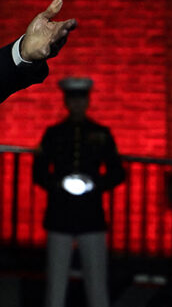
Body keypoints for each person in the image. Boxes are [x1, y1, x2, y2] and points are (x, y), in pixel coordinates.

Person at [32, 76, 125, 307]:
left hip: (90, 214)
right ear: (66, 102)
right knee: (56, 286)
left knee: (96, 285)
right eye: (72, 99)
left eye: (81, 99)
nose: (77, 104)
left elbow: (117, 172)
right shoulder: (54, 134)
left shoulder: (101, 133)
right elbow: (39, 172)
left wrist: (94, 184)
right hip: (60, 213)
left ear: (87, 101)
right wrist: (59, 184)